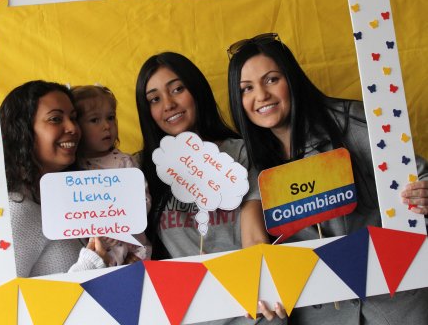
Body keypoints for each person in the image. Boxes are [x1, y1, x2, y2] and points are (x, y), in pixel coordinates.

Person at [227, 33, 428, 324]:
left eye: (271, 79)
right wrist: (260, 283)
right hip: (322, 311)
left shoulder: (350, 121)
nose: (261, 95)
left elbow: (416, 175)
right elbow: (253, 236)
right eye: (246, 88)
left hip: (391, 300)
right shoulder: (251, 160)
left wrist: (422, 193)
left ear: (291, 79)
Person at [135, 52, 280, 324]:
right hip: (188, 315)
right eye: (154, 99)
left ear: (196, 90)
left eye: (177, 89)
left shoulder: (241, 153)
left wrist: (264, 290)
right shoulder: (141, 170)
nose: (168, 104)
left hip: (251, 311)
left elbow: (255, 238)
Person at [0, 80, 108, 278]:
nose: (73, 128)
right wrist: (89, 265)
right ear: (22, 131)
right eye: (55, 119)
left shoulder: (69, 201)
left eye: (73, 118)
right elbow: (0, 295)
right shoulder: (16, 209)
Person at [71, 84, 152, 266]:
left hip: (130, 248)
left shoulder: (124, 162)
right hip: (91, 254)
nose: (107, 126)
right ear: (76, 127)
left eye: (110, 117)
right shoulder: (72, 167)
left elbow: (143, 201)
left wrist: (117, 226)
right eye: (94, 120)